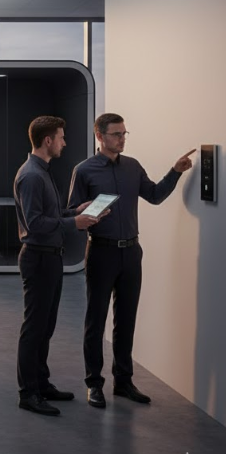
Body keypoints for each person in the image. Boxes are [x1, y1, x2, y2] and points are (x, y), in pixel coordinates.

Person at [68, 113, 194, 409]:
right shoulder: (84, 170)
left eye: (124, 134)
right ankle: (94, 384)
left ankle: (123, 382)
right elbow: (71, 210)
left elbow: (154, 195)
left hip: (131, 252)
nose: (122, 139)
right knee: (95, 320)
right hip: (101, 251)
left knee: (126, 320)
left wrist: (175, 172)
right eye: (116, 134)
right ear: (99, 136)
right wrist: (85, 212)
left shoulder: (132, 167)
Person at [14, 115, 99, 416]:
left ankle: (42, 384)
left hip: (50, 257)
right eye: (61, 137)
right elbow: (36, 224)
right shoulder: (32, 176)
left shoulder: (42, 172)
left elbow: (49, 214)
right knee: (34, 328)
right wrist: (73, 222)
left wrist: (74, 210)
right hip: (38, 257)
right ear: (48, 140)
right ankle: (28, 394)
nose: (65, 142)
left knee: (45, 326)